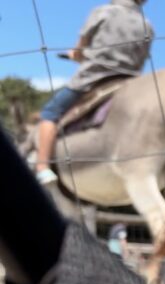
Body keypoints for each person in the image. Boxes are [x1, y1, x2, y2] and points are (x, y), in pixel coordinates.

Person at [35, 0, 154, 184]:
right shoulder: (147, 25)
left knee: (50, 113)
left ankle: (42, 167)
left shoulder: (103, 12)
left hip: (93, 79)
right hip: (128, 83)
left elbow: (79, 50)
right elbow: (141, 61)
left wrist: (76, 56)